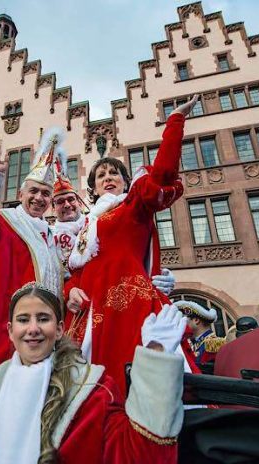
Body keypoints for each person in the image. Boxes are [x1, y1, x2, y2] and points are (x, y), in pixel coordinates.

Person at [0, 282, 186, 464]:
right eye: (24, 320)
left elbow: (138, 456)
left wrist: (157, 358)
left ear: (58, 329)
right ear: (11, 331)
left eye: (43, 319)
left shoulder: (93, 388)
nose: (33, 329)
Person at [64, 95, 199, 391]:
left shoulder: (134, 206)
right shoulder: (89, 224)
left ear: (127, 182)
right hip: (87, 315)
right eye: (101, 175)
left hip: (127, 309)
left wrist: (174, 122)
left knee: (133, 385)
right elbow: (77, 273)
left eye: (114, 173)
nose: (108, 177)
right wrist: (70, 290)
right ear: (93, 189)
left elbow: (163, 174)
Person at [0, 131, 64, 370]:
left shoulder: (51, 236)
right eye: (33, 191)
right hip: (3, 335)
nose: (39, 198)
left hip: (42, 336)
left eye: (45, 193)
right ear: (20, 194)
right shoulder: (4, 222)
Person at [51, 170, 177, 294]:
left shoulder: (97, 221)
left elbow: (138, 247)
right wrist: (69, 291)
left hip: (126, 290)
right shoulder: (50, 237)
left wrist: (158, 273)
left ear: (79, 202)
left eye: (71, 199)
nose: (67, 205)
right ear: (53, 208)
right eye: (60, 202)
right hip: (82, 302)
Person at [174, 300, 224, 368]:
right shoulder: (191, 343)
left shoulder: (214, 344)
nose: (181, 323)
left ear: (196, 320)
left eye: (184, 319)